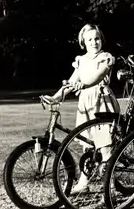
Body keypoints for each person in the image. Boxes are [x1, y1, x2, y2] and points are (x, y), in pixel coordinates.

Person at [45, 24, 120, 194]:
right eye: (90, 39)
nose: (94, 42)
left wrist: (83, 84)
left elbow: (97, 76)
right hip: (86, 106)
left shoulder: (105, 58)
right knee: (87, 147)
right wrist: (56, 96)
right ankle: (83, 183)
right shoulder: (81, 60)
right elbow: (72, 82)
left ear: (101, 40)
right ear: (83, 42)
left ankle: (110, 190)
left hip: (101, 105)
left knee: (105, 147)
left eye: (97, 38)